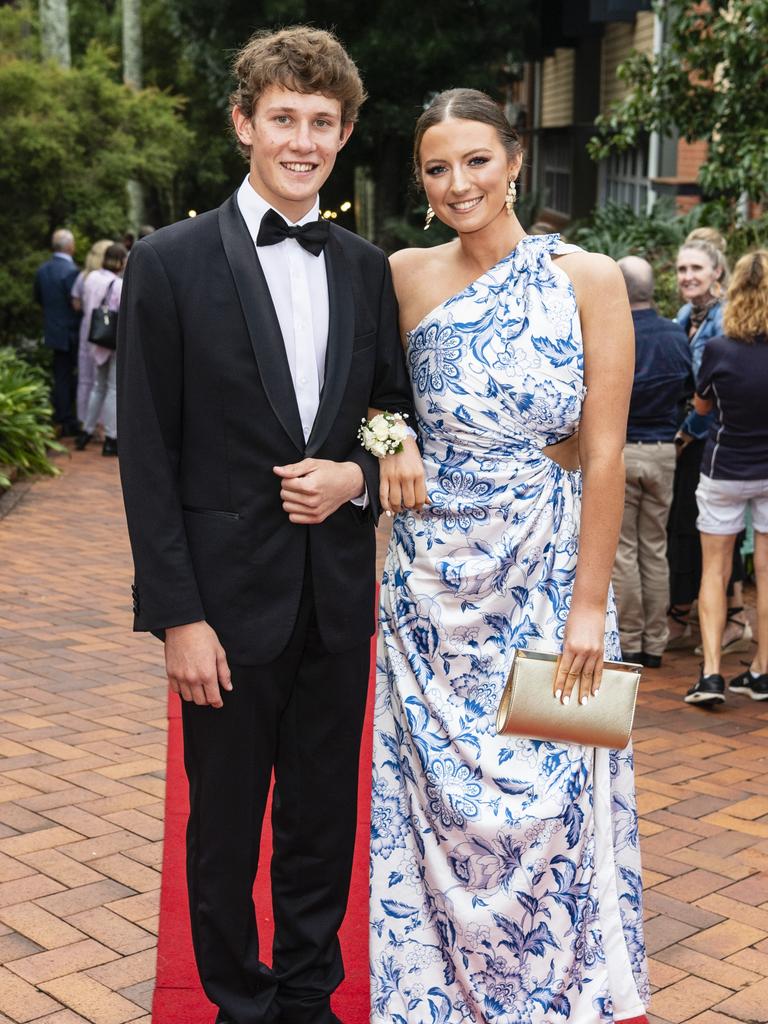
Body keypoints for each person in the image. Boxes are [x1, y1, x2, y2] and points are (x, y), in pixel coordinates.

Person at [117, 26, 415, 1024]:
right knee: (225, 830)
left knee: (322, 822)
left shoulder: (366, 267)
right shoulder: (168, 262)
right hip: (223, 607)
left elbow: (388, 406)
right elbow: (148, 457)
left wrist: (359, 473)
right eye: (283, 118)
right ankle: (239, 1003)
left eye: (321, 122)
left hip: (335, 598)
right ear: (244, 123)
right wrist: (177, 617)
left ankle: (306, 997)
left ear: (343, 134)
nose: (303, 139)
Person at [370, 89, 649, 1023]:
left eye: (478, 160)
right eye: (439, 167)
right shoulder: (403, 273)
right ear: (422, 178)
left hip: (547, 570)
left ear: (517, 159)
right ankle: (435, 997)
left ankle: (559, 999)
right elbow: (361, 398)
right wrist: (389, 437)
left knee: (555, 796)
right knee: (438, 814)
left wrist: (587, 606)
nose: (460, 183)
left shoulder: (590, 278)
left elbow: (603, 451)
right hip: (428, 589)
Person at [684, 250, 768, 705]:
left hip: (725, 469)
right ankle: (761, 672)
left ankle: (712, 675)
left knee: (714, 571)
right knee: (767, 573)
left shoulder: (718, 349)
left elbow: (701, 408)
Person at [667, 235, 752, 654]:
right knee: (701, 527)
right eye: (682, 270)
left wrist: (686, 433)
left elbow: (715, 390)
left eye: (696, 269)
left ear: (717, 272)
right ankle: (715, 615)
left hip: (713, 435)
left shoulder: (723, 320)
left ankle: (731, 620)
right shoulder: (686, 314)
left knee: (714, 529)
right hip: (688, 427)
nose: (688, 277)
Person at [612, 256, 692, 667]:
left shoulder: (615, 331)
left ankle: (630, 641)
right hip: (664, 450)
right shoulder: (676, 334)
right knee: (655, 547)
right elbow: (692, 391)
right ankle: (656, 642)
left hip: (622, 450)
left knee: (624, 549)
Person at [76, 243, 127, 456]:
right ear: (121, 261)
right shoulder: (118, 284)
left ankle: (85, 432)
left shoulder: (91, 278)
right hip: (112, 341)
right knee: (113, 389)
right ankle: (111, 438)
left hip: (95, 339)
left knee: (98, 387)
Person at [33, 228, 81, 435]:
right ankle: (69, 419)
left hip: (53, 330)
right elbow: (76, 304)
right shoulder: (71, 271)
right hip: (71, 331)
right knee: (76, 376)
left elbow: (39, 298)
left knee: (60, 375)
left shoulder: (42, 270)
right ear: (70, 246)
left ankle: (61, 416)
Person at [71, 239, 113, 425]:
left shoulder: (83, 277)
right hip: (105, 331)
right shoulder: (111, 280)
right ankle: (102, 423)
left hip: (87, 329)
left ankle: (85, 421)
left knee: (86, 378)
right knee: (103, 380)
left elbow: (76, 303)